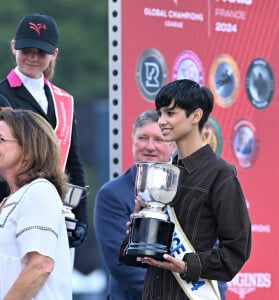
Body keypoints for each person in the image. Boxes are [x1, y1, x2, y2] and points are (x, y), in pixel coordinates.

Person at [120, 79, 252, 299]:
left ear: (196, 116)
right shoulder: (161, 172)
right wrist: (139, 231)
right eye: (160, 113)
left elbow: (236, 251)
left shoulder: (220, 174)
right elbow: (131, 257)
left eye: (170, 113)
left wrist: (187, 266)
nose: (161, 121)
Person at [0, 12, 87, 248]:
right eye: (26, 49)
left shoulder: (64, 100)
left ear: (54, 54)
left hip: (58, 212)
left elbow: (73, 164)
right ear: (14, 47)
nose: (32, 57)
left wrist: (80, 218)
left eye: (41, 52)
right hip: (14, 209)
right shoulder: (2, 95)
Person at [94, 110, 176, 300]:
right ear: (132, 141)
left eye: (159, 139)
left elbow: (208, 255)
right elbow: (122, 265)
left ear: (173, 146)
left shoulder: (190, 192)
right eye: (143, 138)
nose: (150, 146)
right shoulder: (112, 195)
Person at [0, 108, 72, 299]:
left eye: (1, 139)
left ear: (28, 150)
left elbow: (40, 265)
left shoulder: (39, 191)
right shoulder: (15, 198)